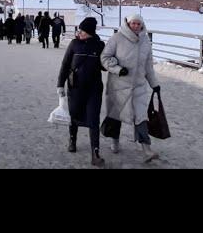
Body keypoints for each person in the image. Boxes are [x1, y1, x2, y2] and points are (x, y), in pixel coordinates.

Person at [100, 14, 161, 163]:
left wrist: (154, 84)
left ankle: (146, 149)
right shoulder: (117, 38)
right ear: (128, 23)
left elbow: (148, 65)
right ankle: (115, 141)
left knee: (141, 117)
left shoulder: (145, 41)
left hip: (139, 86)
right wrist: (118, 69)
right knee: (116, 116)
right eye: (133, 23)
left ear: (142, 24)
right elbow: (104, 57)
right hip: (119, 86)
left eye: (138, 23)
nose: (135, 26)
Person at [57, 17, 106, 167]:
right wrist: (60, 84)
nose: (79, 33)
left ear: (90, 32)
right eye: (79, 30)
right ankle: (72, 139)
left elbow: (105, 66)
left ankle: (95, 152)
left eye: (82, 31)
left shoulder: (100, 45)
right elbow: (65, 65)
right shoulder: (74, 44)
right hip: (75, 87)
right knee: (74, 115)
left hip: (94, 89)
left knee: (93, 119)